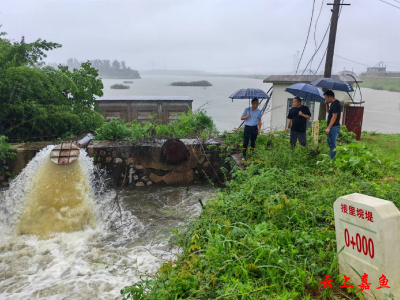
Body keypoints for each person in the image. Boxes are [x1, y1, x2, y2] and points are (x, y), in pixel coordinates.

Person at [324, 90, 341, 159]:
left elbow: (334, 117)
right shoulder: (332, 104)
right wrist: (326, 104)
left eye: (326, 98)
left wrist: (328, 128)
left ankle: (333, 159)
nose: (325, 99)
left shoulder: (336, 104)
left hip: (334, 127)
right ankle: (332, 157)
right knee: (330, 143)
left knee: (332, 144)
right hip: (331, 127)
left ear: (330, 97)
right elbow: (328, 111)